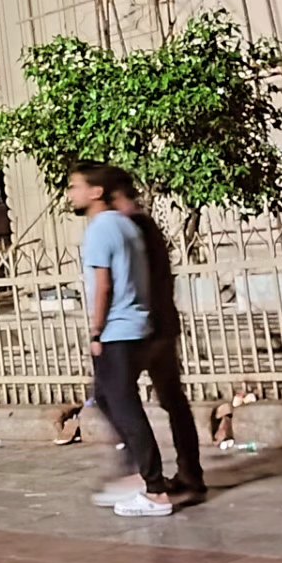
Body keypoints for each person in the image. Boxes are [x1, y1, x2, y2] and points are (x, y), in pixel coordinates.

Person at [67, 161, 172, 517]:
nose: (71, 193)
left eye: (76, 186)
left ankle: (155, 489)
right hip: (135, 326)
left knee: (125, 409)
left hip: (116, 330)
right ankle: (141, 474)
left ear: (96, 192)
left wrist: (96, 331)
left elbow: (104, 285)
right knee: (107, 398)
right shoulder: (126, 225)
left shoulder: (100, 229)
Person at [107, 168, 205, 495]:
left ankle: (146, 473)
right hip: (161, 323)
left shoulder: (131, 228)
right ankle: (189, 472)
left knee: (115, 397)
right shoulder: (145, 225)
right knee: (172, 400)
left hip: (145, 328)